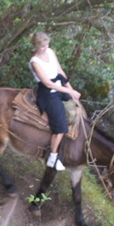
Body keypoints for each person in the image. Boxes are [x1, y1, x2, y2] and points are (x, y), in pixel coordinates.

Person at [29, 31, 81, 171]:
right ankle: (52, 158)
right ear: (35, 46)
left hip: (60, 86)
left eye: (46, 44)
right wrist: (70, 92)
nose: (45, 48)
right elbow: (49, 84)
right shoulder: (34, 62)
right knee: (60, 126)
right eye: (42, 46)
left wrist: (70, 88)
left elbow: (60, 71)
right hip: (49, 93)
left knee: (76, 108)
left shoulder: (50, 52)